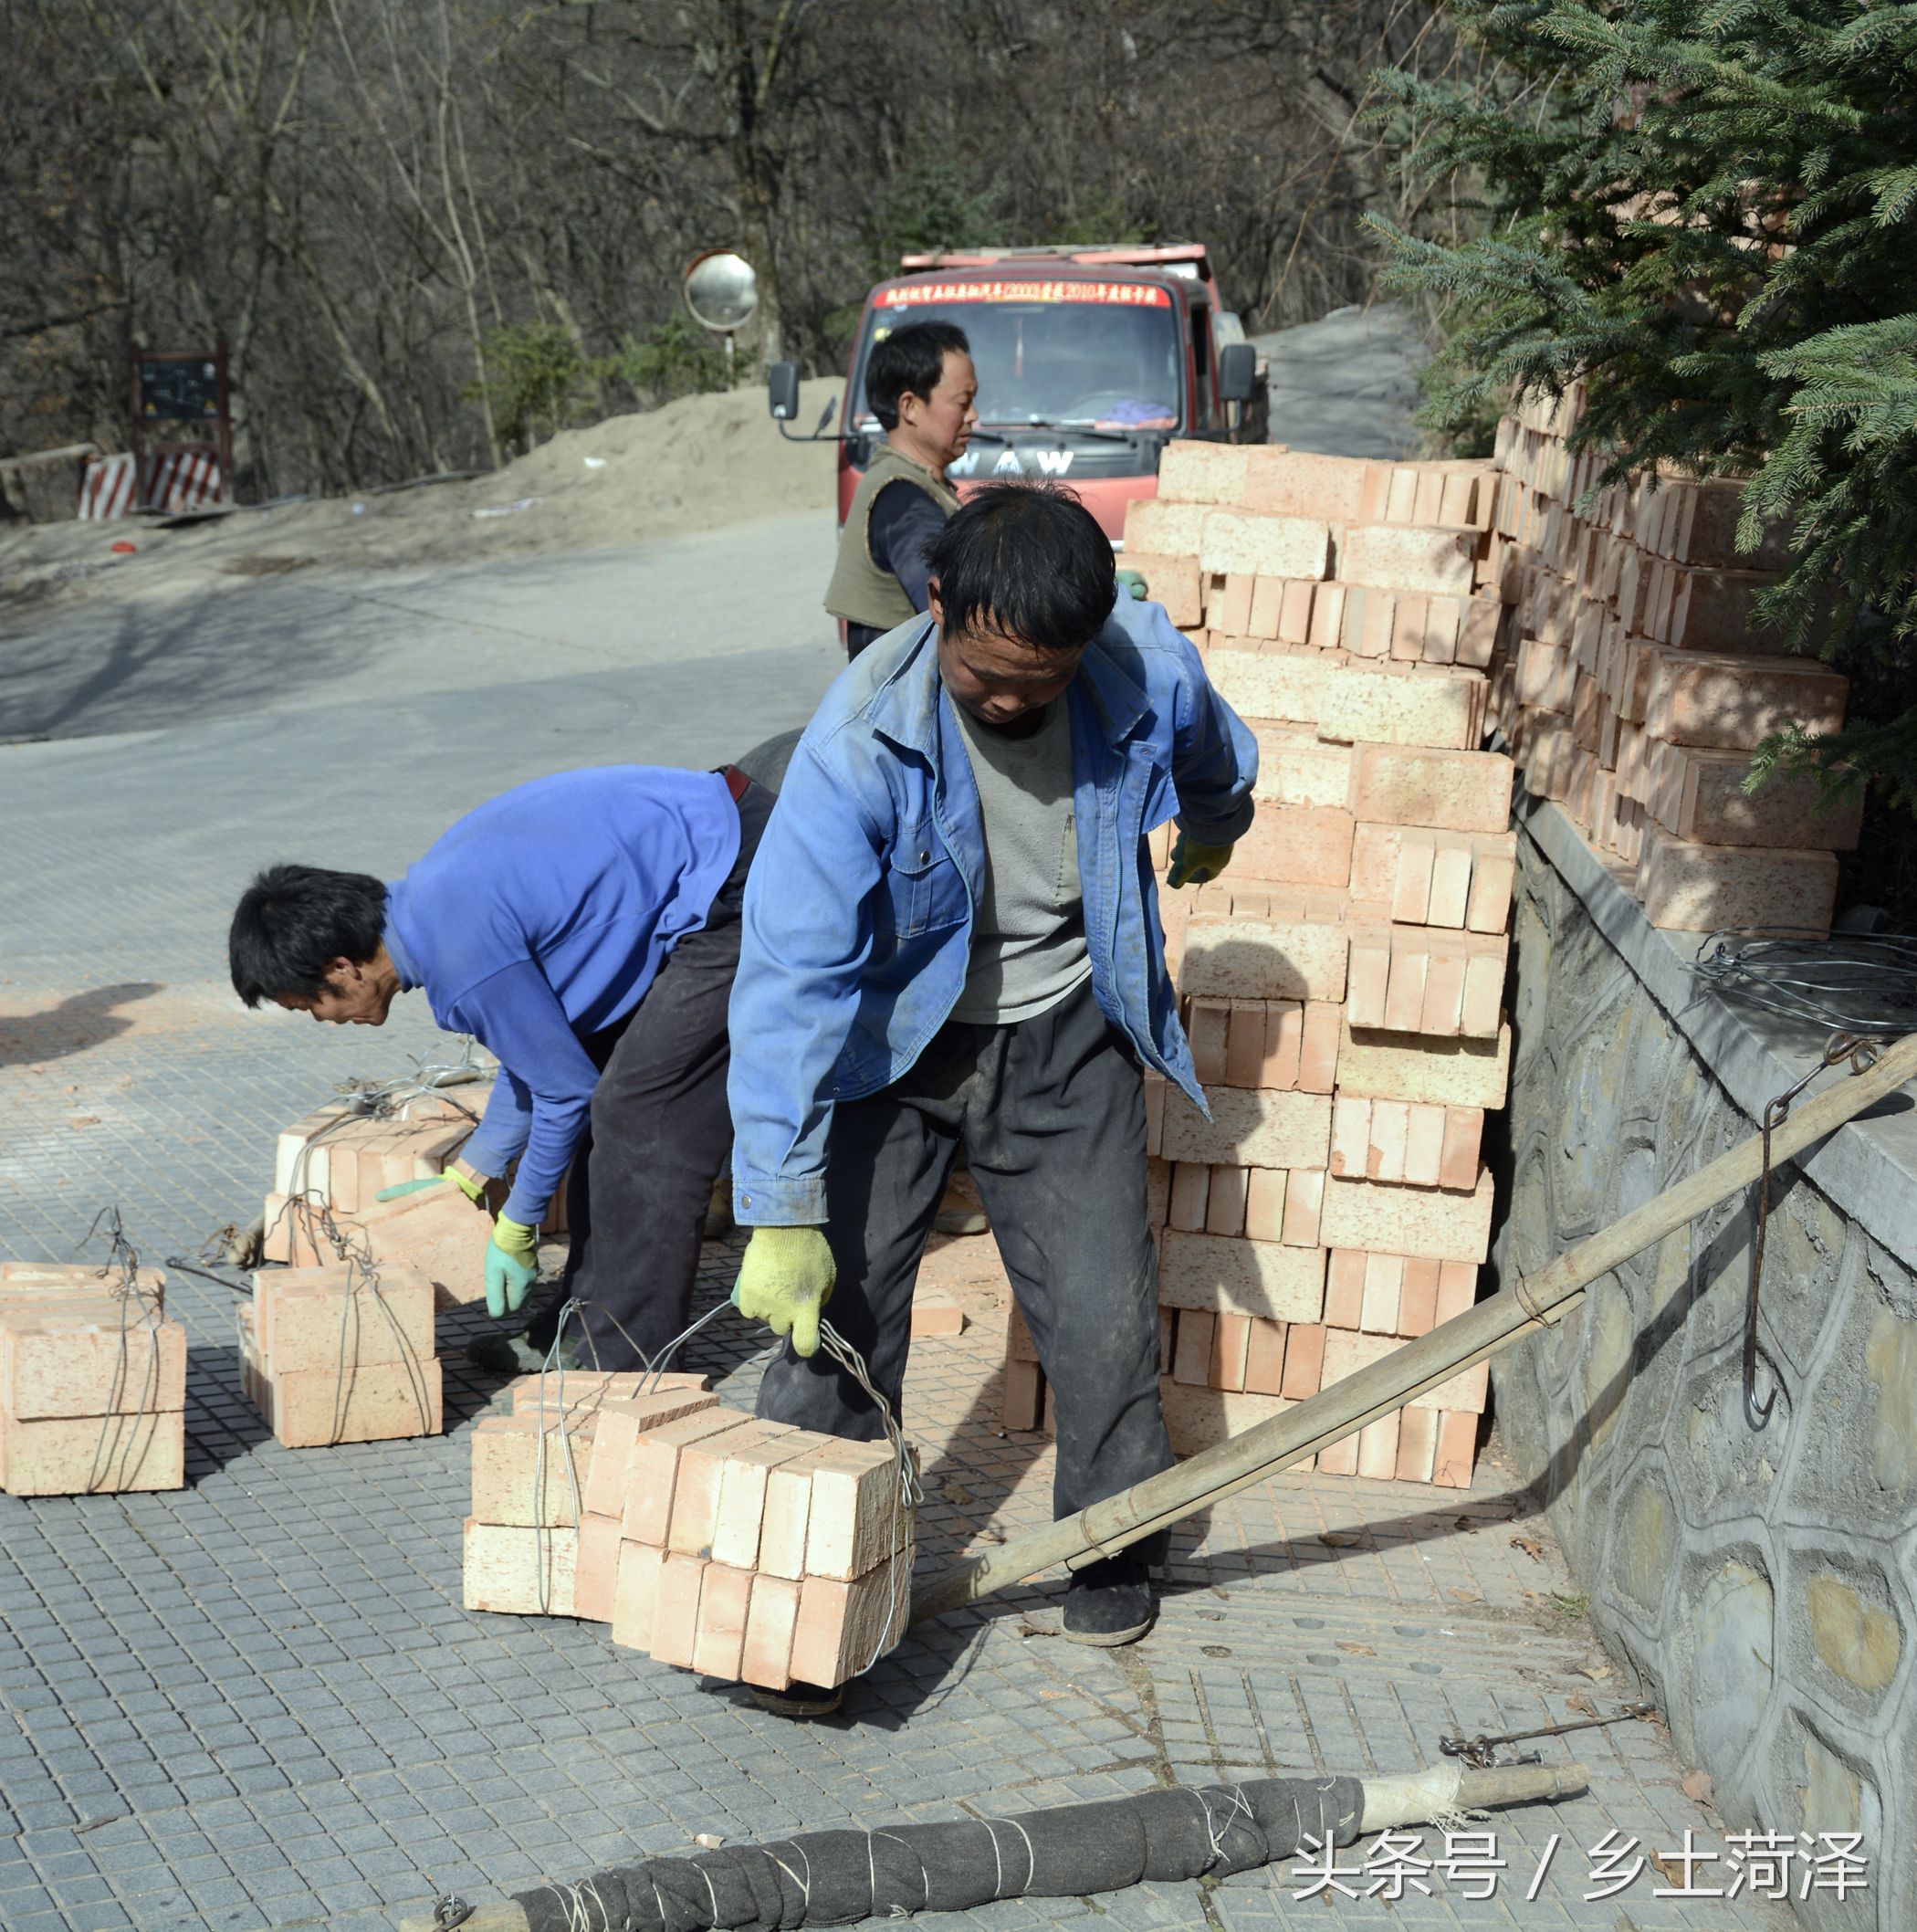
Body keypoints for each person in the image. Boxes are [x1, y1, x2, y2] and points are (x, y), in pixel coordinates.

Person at [728, 484, 1257, 1710]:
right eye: (987, 678)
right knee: (835, 1325)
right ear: (936, 606)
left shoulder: (1141, 668)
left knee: (1103, 1309)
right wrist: (780, 1201)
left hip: (1063, 1031)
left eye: (1042, 680)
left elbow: (1213, 749)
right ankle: (807, 1584)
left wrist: (1219, 820)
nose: (1014, 700)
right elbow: (792, 978)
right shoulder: (862, 736)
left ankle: (1114, 1542)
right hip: (890, 1051)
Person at [227, 736, 797, 1373]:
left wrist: (520, 1223)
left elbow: (563, 1092)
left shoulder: (458, 952)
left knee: (641, 1115)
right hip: (712, 849)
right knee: (609, 1093)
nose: (325, 1021)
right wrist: (477, 1169)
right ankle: (581, 1323)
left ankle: (627, 1361)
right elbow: (540, 1057)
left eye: (310, 1006)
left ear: (342, 968)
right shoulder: (430, 906)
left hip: (743, 873)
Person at [825, 320, 978, 659]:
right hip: (905, 706)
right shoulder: (903, 500)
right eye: (962, 402)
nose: (973, 416)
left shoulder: (915, 482)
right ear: (909, 406)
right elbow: (958, 609)